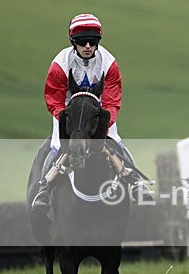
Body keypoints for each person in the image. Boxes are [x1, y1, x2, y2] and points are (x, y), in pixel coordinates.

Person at [31, 13, 151, 214]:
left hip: (99, 111)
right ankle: (43, 189)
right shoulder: (60, 63)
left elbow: (112, 100)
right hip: (68, 112)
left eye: (93, 41)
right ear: (73, 42)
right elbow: (54, 98)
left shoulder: (109, 63)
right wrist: (69, 124)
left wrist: (100, 127)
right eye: (81, 42)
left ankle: (135, 182)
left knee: (118, 144)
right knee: (56, 147)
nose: (87, 46)